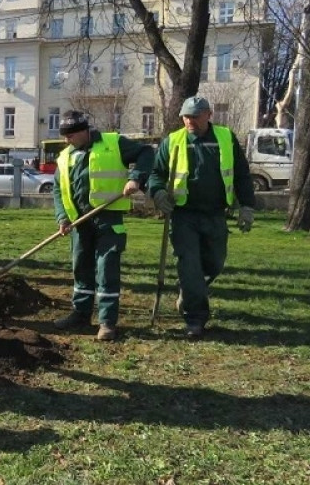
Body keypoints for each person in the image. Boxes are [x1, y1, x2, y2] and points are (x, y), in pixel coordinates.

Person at [147, 96, 256, 338]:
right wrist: (158, 192)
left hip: (216, 213)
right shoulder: (173, 141)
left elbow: (241, 173)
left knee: (215, 263)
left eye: (195, 116)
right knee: (189, 266)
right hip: (184, 215)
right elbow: (156, 173)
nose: (189, 121)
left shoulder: (225, 138)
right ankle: (195, 319)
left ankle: (189, 293)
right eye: (186, 116)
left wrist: (247, 206)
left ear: (209, 114)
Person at [52, 110, 154, 341]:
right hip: (79, 222)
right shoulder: (65, 156)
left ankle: (107, 322)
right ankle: (80, 314)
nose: (66, 140)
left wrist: (135, 177)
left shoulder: (113, 142)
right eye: (64, 136)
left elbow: (147, 152)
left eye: (70, 135)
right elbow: (58, 189)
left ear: (83, 131)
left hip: (108, 218)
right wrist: (62, 218)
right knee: (81, 268)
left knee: (106, 268)